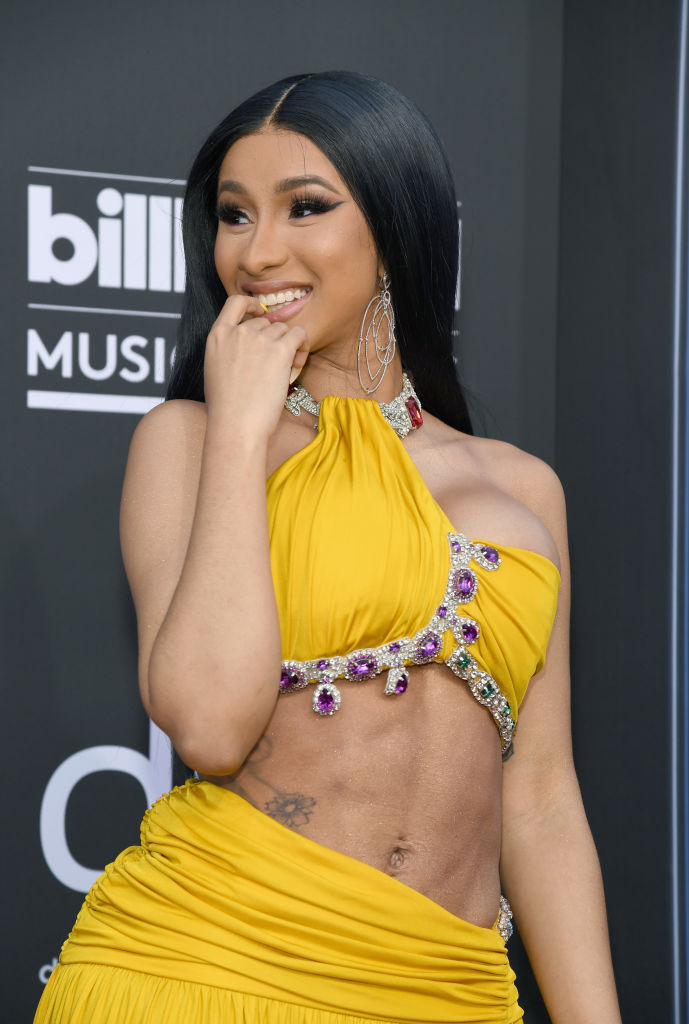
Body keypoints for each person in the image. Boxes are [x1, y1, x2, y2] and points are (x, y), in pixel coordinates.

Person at [35, 70, 622, 1023]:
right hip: (212, 970)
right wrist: (240, 426)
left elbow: (544, 802)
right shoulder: (188, 443)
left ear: (394, 226)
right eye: (234, 215)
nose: (258, 251)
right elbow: (208, 729)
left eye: (304, 207)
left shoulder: (522, 490)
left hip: (448, 989)